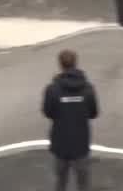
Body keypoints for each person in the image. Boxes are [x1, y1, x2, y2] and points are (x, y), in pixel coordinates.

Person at [42, 49, 99, 191]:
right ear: (76, 63)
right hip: (81, 144)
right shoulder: (88, 89)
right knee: (83, 184)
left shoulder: (52, 89)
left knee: (61, 182)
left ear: (60, 65)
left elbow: (48, 113)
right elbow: (93, 113)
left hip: (60, 144)